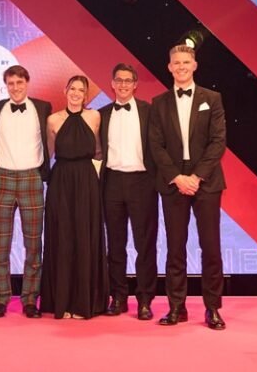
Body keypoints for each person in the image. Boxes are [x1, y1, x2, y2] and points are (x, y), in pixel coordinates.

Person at [148, 45, 227, 330]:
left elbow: (218, 141)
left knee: (211, 247)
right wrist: (177, 177)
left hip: (206, 182)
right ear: (169, 67)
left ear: (194, 65)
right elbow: (155, 145)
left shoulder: (212, 98)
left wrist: (196, 176)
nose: (181, 67)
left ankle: (213, 309)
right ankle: (176, 307)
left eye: (186, 62)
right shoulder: (159, 102)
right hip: (173, 183)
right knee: (175, 248)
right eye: (176, 63)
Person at [0, 65, 51, 318]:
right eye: (11, 83)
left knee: (33, 245)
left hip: (31, 178)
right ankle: (0, 299)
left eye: (19, 82)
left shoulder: (43, 108)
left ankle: (30, 300)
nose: (15, 88)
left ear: (27, 83)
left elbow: (50, 141)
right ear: (6, 85)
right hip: (3, 177)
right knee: (1, 245)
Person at [40, 75, 107, 319]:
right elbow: (48, 154)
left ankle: (82, 302)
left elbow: (99, 151)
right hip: (61, 183)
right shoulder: (53, 120)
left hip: (87, 182)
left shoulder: (95, 117)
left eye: (81, 90)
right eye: (73, 89)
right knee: (63, 238)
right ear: (65, 90)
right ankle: (63, 302)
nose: (76, 93)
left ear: (86, 94)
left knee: (85, 237)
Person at [99, 63, 157, 321]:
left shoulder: (149, 111)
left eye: (128, 80)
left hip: (143, 182)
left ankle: (145, 299)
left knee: (145, 243)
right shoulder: (101, 114)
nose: (123, 84)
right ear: (112, 84)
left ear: (135, 85)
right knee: (115, 244)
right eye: (119, 80)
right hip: (112, 182)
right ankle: (118, 296)